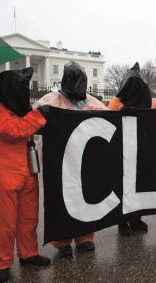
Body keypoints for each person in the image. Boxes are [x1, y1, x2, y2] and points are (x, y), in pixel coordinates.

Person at [34, 61, 107, 257]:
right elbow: (32, 122)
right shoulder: (49, 101)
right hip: (58, 163)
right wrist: (41, 118)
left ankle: (85, 238)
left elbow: (110, 120)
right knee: (60, 199)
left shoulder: (91, 102)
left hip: (85, 163)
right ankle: (62, 241)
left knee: (86, 196)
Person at [0, 68, 51, 282]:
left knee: (29, 218)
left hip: (27, 170)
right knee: (5, 222)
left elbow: (27, 126)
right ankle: (1, 263)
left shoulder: (19, 107)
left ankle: (28, 253)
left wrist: (39, 119)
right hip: (4, 173)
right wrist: (38, 116)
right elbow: (11, 131)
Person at [107, 62, 152, 236]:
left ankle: (136, 218)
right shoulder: (115, 103)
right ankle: (121, 221)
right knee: (121, 184)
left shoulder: (146, 101)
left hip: (139, 149)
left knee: (137, 184)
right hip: (121, 151)